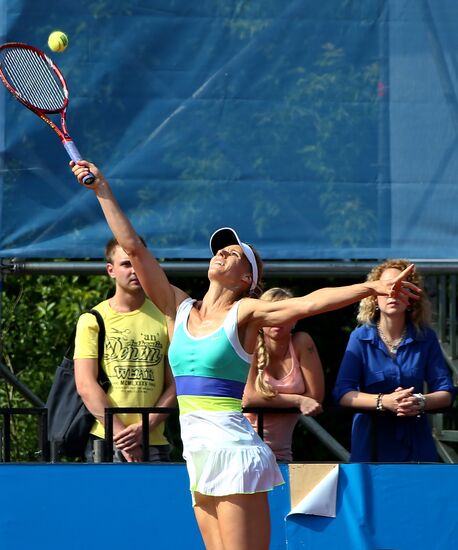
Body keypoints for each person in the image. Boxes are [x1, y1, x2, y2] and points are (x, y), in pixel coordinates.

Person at [71, 159, 420, 550]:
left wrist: (370, 288)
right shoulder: (177, 307)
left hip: (234, 452)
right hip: (198, 454)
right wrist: (102, 190)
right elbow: (133, 249)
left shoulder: (246, 313)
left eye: (233, 253)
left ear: (246, 280)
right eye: (219, 250)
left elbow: (308, 304)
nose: (221, 253)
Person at [333, 259, 455, 462]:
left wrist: (419, 401)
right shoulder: (359, 337)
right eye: (387, 287)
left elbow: (446, 391)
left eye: (401, 287)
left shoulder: (426, 337)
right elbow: (343, 392)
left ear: (412, 297)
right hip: (370, 443)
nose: (392, 293)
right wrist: (383, 401)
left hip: (415, 442)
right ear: (373, 297)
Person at [74, 237, 176, 463]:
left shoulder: (166, 317)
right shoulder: (92, 319)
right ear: (110, 270)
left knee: (155, 500)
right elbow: (85, 384)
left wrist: (146, 427)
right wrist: (122, 436)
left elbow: (177, 383)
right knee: (103, 499)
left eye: (138, 263)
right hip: (104, 441)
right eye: (125, 264)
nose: (134, 270)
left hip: (155, 441)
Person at [243, 287, 324, 462]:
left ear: (295, 319)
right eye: (272, 313)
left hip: (282, 453)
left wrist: (269, 400)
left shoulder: (301, 342)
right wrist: (298, 400)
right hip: (245, 449)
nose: (278, 320)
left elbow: (315, 397)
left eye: (284, 313)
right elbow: (249, 398)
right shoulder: (251, 343)